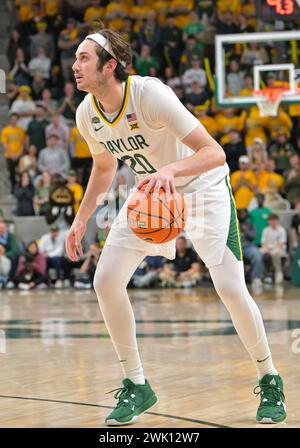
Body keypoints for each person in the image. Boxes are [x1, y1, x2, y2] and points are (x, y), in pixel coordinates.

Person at [66, 28, 286, 426]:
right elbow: (103, 168)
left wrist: (171, 169)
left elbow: (214, 153)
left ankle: (269, 377)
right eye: (76, 57)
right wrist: (81, 219)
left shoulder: (150, 94)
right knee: (105, 281)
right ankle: (136, 384)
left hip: (202, 188)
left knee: (231, 289)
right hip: (151, 195)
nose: (74, 65)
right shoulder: (87, 113)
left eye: (83, 58)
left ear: (109, 65)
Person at [261, 214, 287, 285]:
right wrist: (266, 249)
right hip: (267, 249)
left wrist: (272, 249)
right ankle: (263, 274)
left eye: (274, 220)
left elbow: (281, 244)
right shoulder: (265, 230)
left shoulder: (281, 230)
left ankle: (278, 272)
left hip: (279, 249)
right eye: (270, 221)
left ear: (277, 221)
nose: (272, 222)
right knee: (259, 253)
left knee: (275, 253)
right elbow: (263, 243)